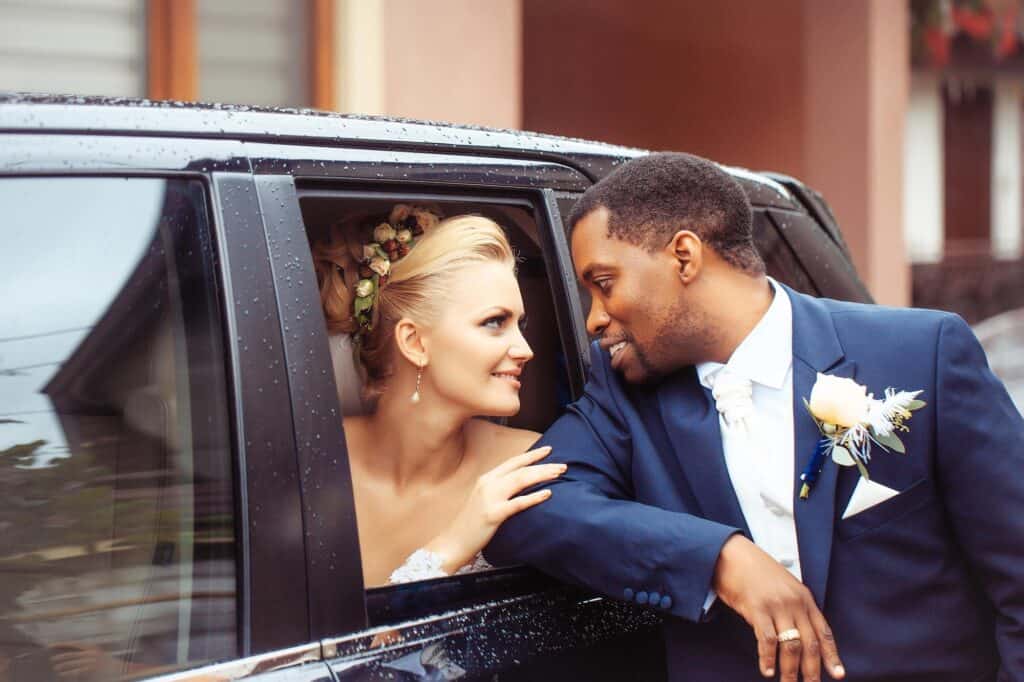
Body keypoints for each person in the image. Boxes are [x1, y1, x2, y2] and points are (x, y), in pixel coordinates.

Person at [487, 152, 1024, 682]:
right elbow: (526, 509)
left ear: (684, 257)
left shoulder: (919, 353)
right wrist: (719, 558)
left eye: (604, 284)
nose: (595, 319)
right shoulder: (624, 394)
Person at [313, 207, 565, 587]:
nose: (525, 350)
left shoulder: (528, 465)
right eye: (494, 322)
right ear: (415, 343)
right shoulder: (317, 461)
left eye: (520, 324)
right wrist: (454, 545)